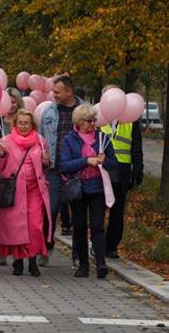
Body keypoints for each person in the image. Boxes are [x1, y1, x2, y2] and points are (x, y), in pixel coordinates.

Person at [0, 109, 52, 277]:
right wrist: (0, 153)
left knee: (35, 226)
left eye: (27, 123)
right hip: (14, 190)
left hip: (35, 190)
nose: (23, 126)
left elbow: (46, 166)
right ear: (15, 124)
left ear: (32, 125)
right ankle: (18, 261)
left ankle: (32, 261)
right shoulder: (5, 141)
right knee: (17, 227)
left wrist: (46, 162)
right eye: (20, 123)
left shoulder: (40, 141)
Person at [60, 104, 117, 278]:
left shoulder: (102, 138)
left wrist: (105, 160)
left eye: (94, 120)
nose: (93, 124)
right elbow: (65, 166)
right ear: (79, 122)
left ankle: (101, 264)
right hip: (78, 189)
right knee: (79, 227)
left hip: (98, 188)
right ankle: (83, 264)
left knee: (97, 226)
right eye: (89, 121)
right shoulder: (69, 140)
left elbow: (114, 164)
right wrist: (86, 161)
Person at [37, 75, 84, 266]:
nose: (53, 95)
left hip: (79, 172)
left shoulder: (85, 111)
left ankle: (78, 256)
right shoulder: (48, 112)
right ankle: (46, 247)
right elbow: (40, 139)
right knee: (49, 211)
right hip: (53, 171)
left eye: (57, 92)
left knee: (79, 216)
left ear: (69, 91)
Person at [99, 89, 144, 259]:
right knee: (98, 209)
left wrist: (137, 171)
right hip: (101, 170)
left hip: (121, 171)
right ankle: (97, 242)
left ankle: (111, 246)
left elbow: (136, 149)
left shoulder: (131, 121)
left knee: (117, 211)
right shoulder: (97, 117)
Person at [0, 88, 25, 157]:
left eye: (13, 102)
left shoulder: (22, 120)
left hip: (17, 159)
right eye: (8, 102)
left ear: (18, 103)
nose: (10, 105)